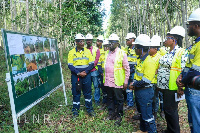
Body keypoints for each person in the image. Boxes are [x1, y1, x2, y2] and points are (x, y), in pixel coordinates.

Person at [157, 26, 188, 133]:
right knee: (167, 109)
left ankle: (175, 131)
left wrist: (181, 87)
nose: (165, 39)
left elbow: (184, 70)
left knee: (171, 110)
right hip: (165, 87)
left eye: (168, 37)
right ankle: (170, 130)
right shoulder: (168, 52)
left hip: (173, 87)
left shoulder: (181, 52)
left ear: (174, 40)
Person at [177, 8, 200, 133]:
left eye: (189, 25)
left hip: (197, 91)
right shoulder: (195, 44)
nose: (188, 27)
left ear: (196, 25)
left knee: (197, 125)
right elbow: (189, 65)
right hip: (192, 90)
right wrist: (181, 76)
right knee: (193, 123)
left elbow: (196, 70)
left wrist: (183, 81)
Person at [129, 34, 157, 133]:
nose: (134, 50)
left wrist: (134, 84)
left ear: (141, 49)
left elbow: (146, 80)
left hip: (145, 92)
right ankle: (143, 130)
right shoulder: (140, 60)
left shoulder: (149, 61)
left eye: (136, 48)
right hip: (139, 91)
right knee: (141, 113)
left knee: (147, 116)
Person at [103, 33, 130, 126]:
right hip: (107, 80)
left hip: (117, 81)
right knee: (109, 98)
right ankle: (111, 114)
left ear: (117, 44)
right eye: (109, 42)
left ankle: (119, 115)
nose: (110, 44)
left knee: (119, 99)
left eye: (112, 42)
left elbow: (127, 68)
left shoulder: (122, 53)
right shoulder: (107, 53)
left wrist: (126, 81)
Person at [68, 33, 95, 118]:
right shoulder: (71, 52)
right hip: (76, 76)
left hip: (86, 76)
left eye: (83, 41)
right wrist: (78, 73)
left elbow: (91, 64)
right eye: (80, 41)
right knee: (76, 93)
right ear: (76, 42)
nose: (82, 43)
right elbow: (70, 65)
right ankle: (75, 111)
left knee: (87, 93)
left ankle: (90, 109)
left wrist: (86, 72)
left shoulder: (87, 51)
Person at [149, 35, 164, 119]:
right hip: (151, 81)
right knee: (153, 98)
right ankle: (154, 111)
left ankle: (160, 111)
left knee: (159, 97)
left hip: (157, 81)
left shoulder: (160, 57)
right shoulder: (149, 56)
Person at [85, 33, 101, 105]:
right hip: (87, 72)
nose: (88, 41)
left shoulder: (96, 49)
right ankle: (89, 100)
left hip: (94, 71)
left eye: (90, 40)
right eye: (87, 40)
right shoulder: (84, 50)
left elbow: (96, 60)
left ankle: (97, 100)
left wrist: (89, 68)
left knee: (96, 86)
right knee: (88, 87)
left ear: (92, 41)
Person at [124, 33, 137, 110]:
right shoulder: (126, 50)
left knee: (135, 87)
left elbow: (138, 61)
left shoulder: (137, 49)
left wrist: (132, 70)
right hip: (127, 72)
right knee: (128, 88)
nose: (126, 42)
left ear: (133, 40)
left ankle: (136, 104)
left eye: (128, 40)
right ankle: (130, 103)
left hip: (134, 72)